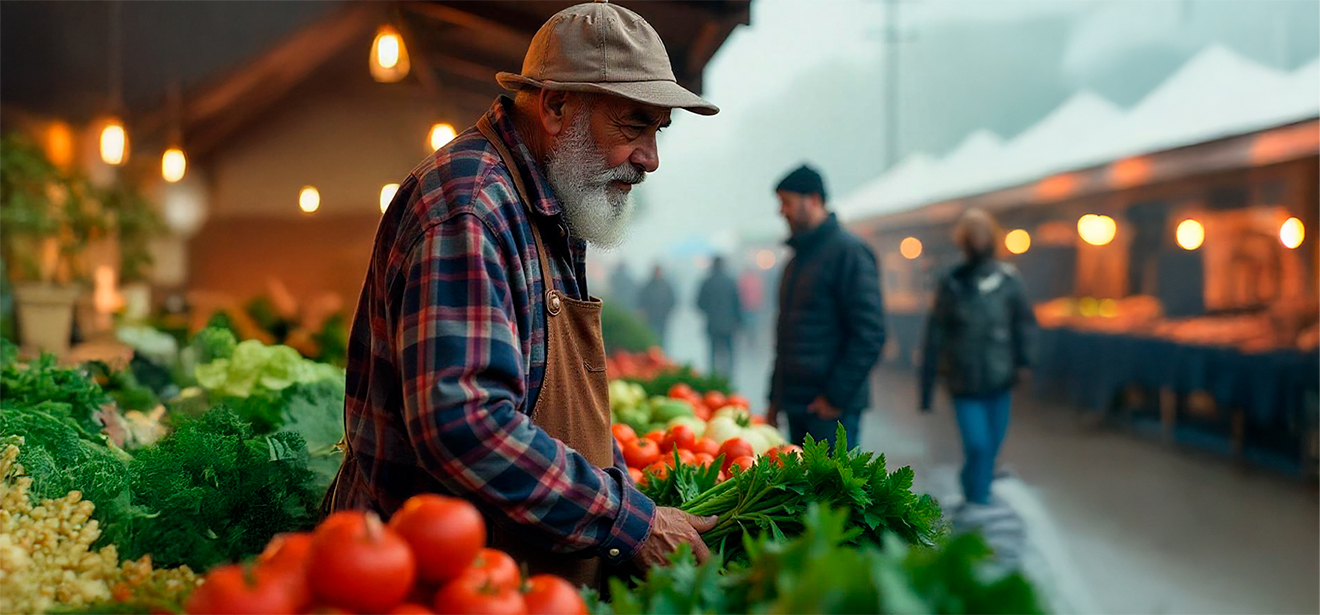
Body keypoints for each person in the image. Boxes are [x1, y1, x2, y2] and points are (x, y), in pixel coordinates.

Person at [325, 2, 720, 589]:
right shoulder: (472, 206)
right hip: (425, 579)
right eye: (633, 125)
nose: (650, 159)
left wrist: (626, 493)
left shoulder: (545, 198)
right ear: (557, 106)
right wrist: (628, 522)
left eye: (657, 130)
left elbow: (542, 396)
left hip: (501, 571)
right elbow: (464, 423)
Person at [919, 209, 1036, 509]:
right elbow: (935, 333)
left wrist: (1024, 363)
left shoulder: (1009, 280)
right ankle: (978, 503)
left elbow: (1023, 324)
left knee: (990, 449)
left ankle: (974, 494)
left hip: (1000, 380)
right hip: (963, 382)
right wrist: (927, 386)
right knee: (978, 445)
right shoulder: (952, 284)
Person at [767, 164, 885, 447]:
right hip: (796, 406)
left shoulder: (850, 253)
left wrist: (835, 397)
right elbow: (786, 336)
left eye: (787, 202)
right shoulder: (796, 260)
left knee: (829, 490)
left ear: (815, 200)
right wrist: (774, 401)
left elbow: (869, 333)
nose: (781, 211)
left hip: (831, 411)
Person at [696, 256, 743, 379]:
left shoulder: (707, 282)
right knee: (729, 351)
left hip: (713, 323)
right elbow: (737, 303)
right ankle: (728, 375)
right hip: (729, 324)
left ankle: (713, 376)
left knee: (713, 351)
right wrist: (739, 321)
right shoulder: (730, 281)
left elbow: (699, 303)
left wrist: (709, 311)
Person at [637, 264, 677, 348]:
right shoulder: (648, 286)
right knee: (651, 335)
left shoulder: (666, 286)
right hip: (650, 316)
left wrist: (668, 312)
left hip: (663, 317)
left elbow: (672, 300)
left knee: (663, 336)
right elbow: (641, 300)